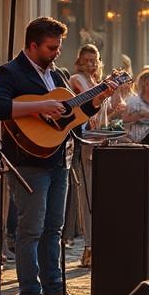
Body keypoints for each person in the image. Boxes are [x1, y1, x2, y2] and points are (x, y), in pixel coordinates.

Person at [0, 16, 113, 295]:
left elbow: (72, 115)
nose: (57, 52)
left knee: (54, 230)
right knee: (30, 231)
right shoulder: (10, 72)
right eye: (51, 47)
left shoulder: (58, 76)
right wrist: (37, 107)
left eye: (58, 47)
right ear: (32, 45)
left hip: (58, 160)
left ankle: (55, 291)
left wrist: (98, 99)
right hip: (28, 162)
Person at [66, 44, 110, 269]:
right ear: (80, 61)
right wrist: (104, 92)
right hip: (84, 142)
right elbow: (84, 102)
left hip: (101, 139)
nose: (92, 64)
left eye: (95, 60)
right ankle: (88, 247)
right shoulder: (76, 79)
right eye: (87, 60)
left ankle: (98, 244)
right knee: (87, 195)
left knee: (100, 196)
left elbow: (103, 112)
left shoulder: (97, 83)